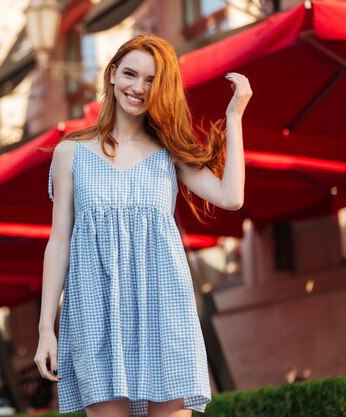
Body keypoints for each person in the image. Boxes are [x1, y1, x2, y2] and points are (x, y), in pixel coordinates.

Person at [34, 34, 251, 417]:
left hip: (164, 308)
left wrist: (234, 117)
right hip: (95, 311)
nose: (138, 88)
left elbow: (230, 197)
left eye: (151, 80)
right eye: (131, 74)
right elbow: (59, 243)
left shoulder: (169, 154)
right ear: (113, 74)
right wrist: (45, 330)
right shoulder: (71, 153)